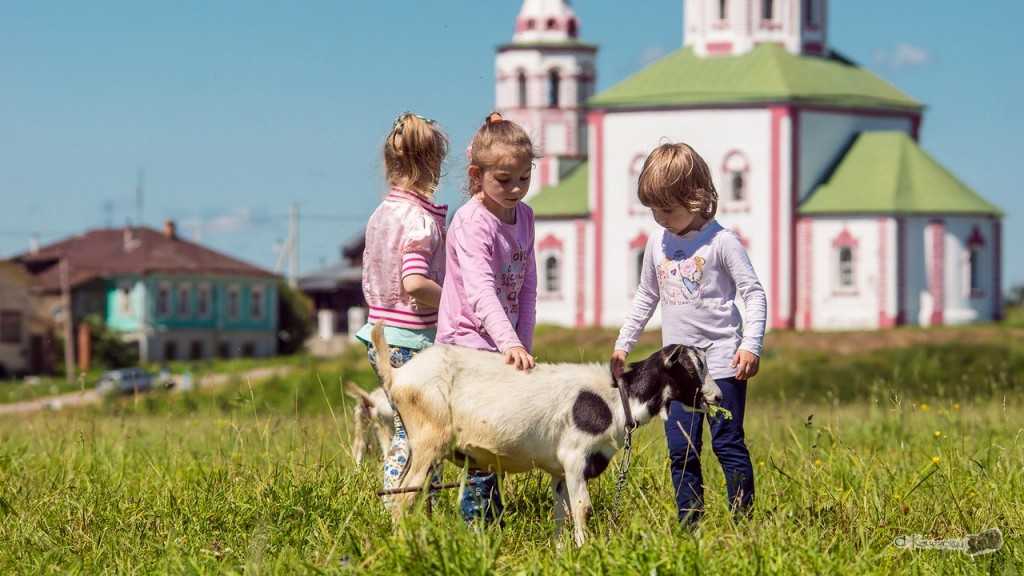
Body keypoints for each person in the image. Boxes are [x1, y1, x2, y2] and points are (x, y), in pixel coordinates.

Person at [610, 142, 766, 526]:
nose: (659, 218)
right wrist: (623, 344)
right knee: (681, 451)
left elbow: (753, 293)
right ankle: (689, 525)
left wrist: (750, 345)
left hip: (722, 365)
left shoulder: (721, 242)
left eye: (667, 209)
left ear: (695, 199)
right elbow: (647, 296)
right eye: (653, 209)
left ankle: (742, 522)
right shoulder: (656, 243)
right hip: (677, 373)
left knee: (727, 444)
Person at [436, 112, 538, 523]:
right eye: (504, 179)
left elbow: (528, 287)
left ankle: (486, 515)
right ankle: (475, 522)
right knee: (480, 436)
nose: (515, 189)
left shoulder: (525, 217)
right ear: (478, 175)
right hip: (467, 342)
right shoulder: (472, 221)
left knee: (495, 434)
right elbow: (479, 291)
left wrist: (522, 343)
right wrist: (509, 341)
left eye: (524, 178)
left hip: (502, 344)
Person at [354, 112, 449, 496]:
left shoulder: (383, 213)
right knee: (424, 430)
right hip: (412, 339)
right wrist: (457, 302)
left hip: (380, 334)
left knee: (404, 426)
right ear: (434, 162)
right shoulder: (419, 220)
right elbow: (414, 282)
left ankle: (407, 502)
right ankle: (405, 502)